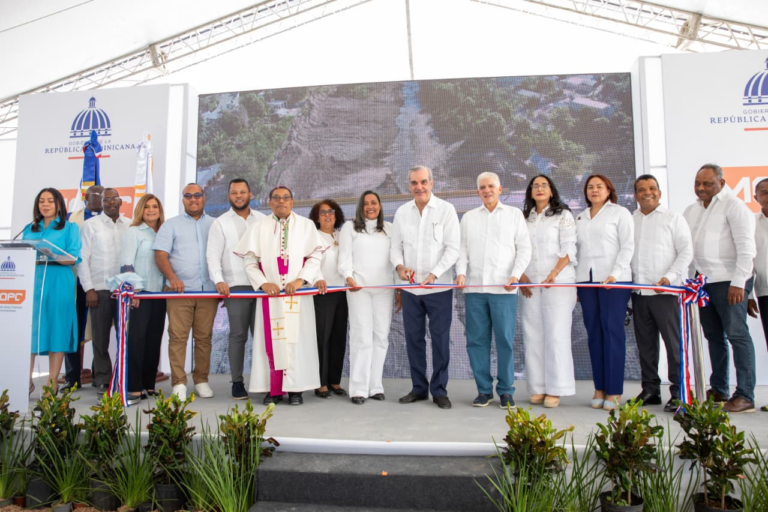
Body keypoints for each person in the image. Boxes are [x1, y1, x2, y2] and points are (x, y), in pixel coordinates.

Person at [234, 186, 326, 406]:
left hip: (297, 295)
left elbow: (315, 258)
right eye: (276, 198)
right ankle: (272, 389)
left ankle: (296, 390)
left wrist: (300, 280)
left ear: (292, 202)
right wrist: (263, 282)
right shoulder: (259, 227)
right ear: (269, 202)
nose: (281, 202)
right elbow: (249, 261)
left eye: (286, 198)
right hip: (271, 296)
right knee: (271, 341)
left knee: (297, 341)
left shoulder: (306, 225)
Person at [684, 164, 757, 414]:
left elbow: (747, 248)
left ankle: (745, 394)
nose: (701, 188)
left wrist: (739, 282)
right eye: (698, 183)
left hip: (730, 281)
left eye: (708, 183)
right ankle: (719, 389)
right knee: (713, 336)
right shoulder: (691, 210)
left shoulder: (734, 206)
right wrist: (689, 281)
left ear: (722, 183)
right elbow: (688, 249)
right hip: (703, 283)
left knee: (737, 335)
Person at [456, 172, 531, 409]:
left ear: (500, 189)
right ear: (477, 191)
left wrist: (515, 275)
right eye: (482, 187)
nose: (486, 190)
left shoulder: (514, 215)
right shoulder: (468, 217)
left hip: (504, 289)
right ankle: (484, 390)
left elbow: (524, 248)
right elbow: (462, 250)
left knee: (505, 342)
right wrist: (461, 273)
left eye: (491, 186)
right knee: (476, 341)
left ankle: (506, 391)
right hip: (475, 289)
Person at [391, 165, 460, 410]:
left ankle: (439, 390)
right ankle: (419, 388)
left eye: (423, 182)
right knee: (413, 340)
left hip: (439, 288)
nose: (418, 187)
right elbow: (395, 247)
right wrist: (400, 268)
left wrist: (435, 274)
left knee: (440, 340)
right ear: (409, 185)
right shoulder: (401, 212)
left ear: (432, 183)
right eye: (413, 183)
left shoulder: (446, 210)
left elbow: (453, 248)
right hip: (410, 290)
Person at [630, 175, 693, 413]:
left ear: (659, 192)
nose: (648, 193)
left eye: (652, 188)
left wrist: (671, 276)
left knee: (674, 345)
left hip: (666, 292)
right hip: (639, 292)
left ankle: (679, 392)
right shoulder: (630, 219)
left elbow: (686, 252)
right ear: (635, 195)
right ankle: (650, 390)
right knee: (645, 345)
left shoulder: (673, 218)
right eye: (642, 189)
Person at [153, 183, 217, 401]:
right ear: (183, 200)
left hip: (208, 292)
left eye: (197, 195)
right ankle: (179, 382)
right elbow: (161, 255)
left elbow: (223, 256)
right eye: (188, 196)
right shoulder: (170, 225)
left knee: (204, 338)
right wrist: (172, 279)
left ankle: (201, 380)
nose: (193, 199)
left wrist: (221, 282)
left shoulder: (215, 225)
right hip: (179, 292)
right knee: (178, 338)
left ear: (203, 198)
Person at [575, 174, 634, 411]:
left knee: (613, 333)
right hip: (586, 282)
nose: (595, 190)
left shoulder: (620, 213)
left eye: (600, 186)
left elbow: (628, 246)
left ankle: (614, 391)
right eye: (590, 187)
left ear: (609, 190)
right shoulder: (580, 217)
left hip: (614, 281)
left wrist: (616, 273)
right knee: (594, 334)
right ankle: (599, 388)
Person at [519, 175, 577, 409]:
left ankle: (556, 388)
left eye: (544, 185)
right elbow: (517, 248)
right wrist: (521, 275)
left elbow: (569, 247)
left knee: (556, 334)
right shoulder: (524, 218)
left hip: (558, 281)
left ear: (551, 191)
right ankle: (538, 387)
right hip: (530, 283)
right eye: (535, 186)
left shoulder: (564, 216)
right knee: (532, 334)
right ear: (530, 192)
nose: (540, 189)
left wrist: (554, 272)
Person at [206, 178, 265, 400]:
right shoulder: (220, 223)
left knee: (261, 336)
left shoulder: (263, 220)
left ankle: (264, 381)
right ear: (229, 196)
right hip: (236, 286)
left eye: (242, 192)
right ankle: (237, 382)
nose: (238, 195)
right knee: (238, 335)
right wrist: (219, 280)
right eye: (234, 192)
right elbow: (212, 256)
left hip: (261, 285)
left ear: (250, 194)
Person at [338, 191, 398, 405]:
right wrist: (348, 278)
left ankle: (375, 386)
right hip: (359, 290)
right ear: (360, 208)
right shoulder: (350, 228)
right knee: (361, 337)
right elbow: (344, 259)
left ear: (380, 206)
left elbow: (396, 259)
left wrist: (398, 287)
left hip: (384, 290)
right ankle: (358, 388)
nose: (370, 207)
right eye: (366, 204)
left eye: (374, 203)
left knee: (380, 337)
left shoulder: (390, 229)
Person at [23, 188, 82, 395]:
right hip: (32, 285)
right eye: (41, 201)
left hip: (58, 284)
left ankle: (52, 382)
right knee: (28, 332)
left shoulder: (69, 228)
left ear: (59, 204)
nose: (45, 205)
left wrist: (52, 254)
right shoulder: (30, 228)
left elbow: (73, 258)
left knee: (57, 330)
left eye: (49, 201)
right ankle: (25, 381)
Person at [77, 188, 130, 394]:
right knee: (100, 339)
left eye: (114, 199)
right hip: (99, 290)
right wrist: (88, 288)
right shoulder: (91, 226)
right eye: (106, 199)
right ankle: (103, 380)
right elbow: (83, 259)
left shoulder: (130, 224)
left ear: (120, 201)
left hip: (124, 291)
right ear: (101, 203)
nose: (110, 203)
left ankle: (124, 377)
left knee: (125, 337)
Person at [120, 194, 167, 405]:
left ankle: (149, 384)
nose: (151, 210)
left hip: (161, 294)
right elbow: (126, 263)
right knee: (137, 340)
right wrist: (133, 290)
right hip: (141, 293)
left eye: (154, 206)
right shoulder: (133, 232)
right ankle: (134, 386)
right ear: (140, 209)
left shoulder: (164, 232)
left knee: (154, 339)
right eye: (146, 206)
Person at [62, 184, 103, 392]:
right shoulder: (71, 218)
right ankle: (72, 377)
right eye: (95, 194)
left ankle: (99, 375)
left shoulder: (113, 219)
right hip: (75, 284)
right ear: (85, 197)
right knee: (73, 332)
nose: (100, 198)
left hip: (100, 285)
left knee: (99, 331)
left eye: (103, 194)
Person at [308, 199, 349, 399]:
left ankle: (335, 380)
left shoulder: (343, 236)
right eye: (322, 212)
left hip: (343, 293)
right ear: (316, 217)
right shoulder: (313, 236)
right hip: (322, 293)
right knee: (322, 338)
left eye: (331, 211)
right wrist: (318, 279)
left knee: (339, 337)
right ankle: (321, 382)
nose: (327, 215)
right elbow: (309, 263)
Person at [747, 178, 768, 412]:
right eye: (763, 192)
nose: (767, 195)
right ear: (756, 197)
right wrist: (749, 294)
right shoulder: (751, 223)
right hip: (764, 291)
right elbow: (748, 260)